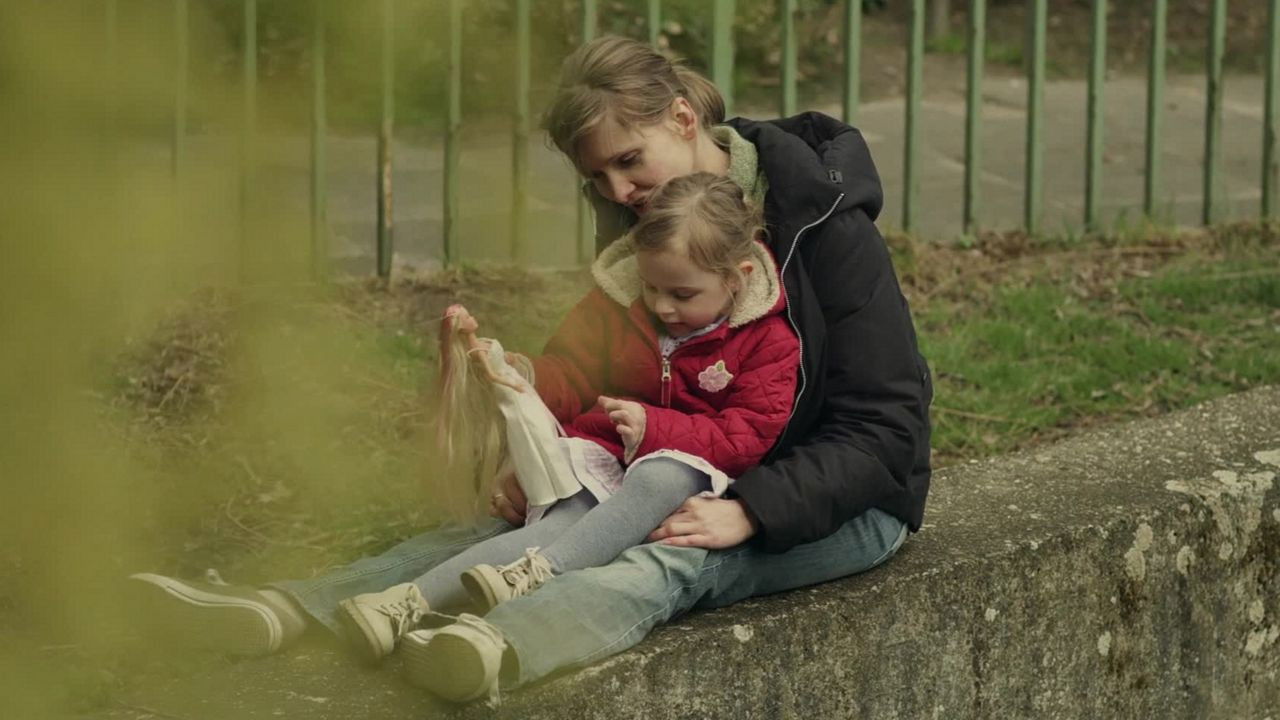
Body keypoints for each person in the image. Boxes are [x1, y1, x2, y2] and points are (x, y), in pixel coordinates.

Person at [129, 34, 931, 706]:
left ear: (684, 119)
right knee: (526, 523)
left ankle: (494, 646)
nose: (619, 192)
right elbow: (604, 369)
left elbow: (886, 428)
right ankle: (295, 610)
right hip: (672, 465)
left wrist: (753, 510)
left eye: (628, 161)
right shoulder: (649, 223)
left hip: (833, 501)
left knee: (673, 557)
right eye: (597, 178)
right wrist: (531, 412)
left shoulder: (822, 221)